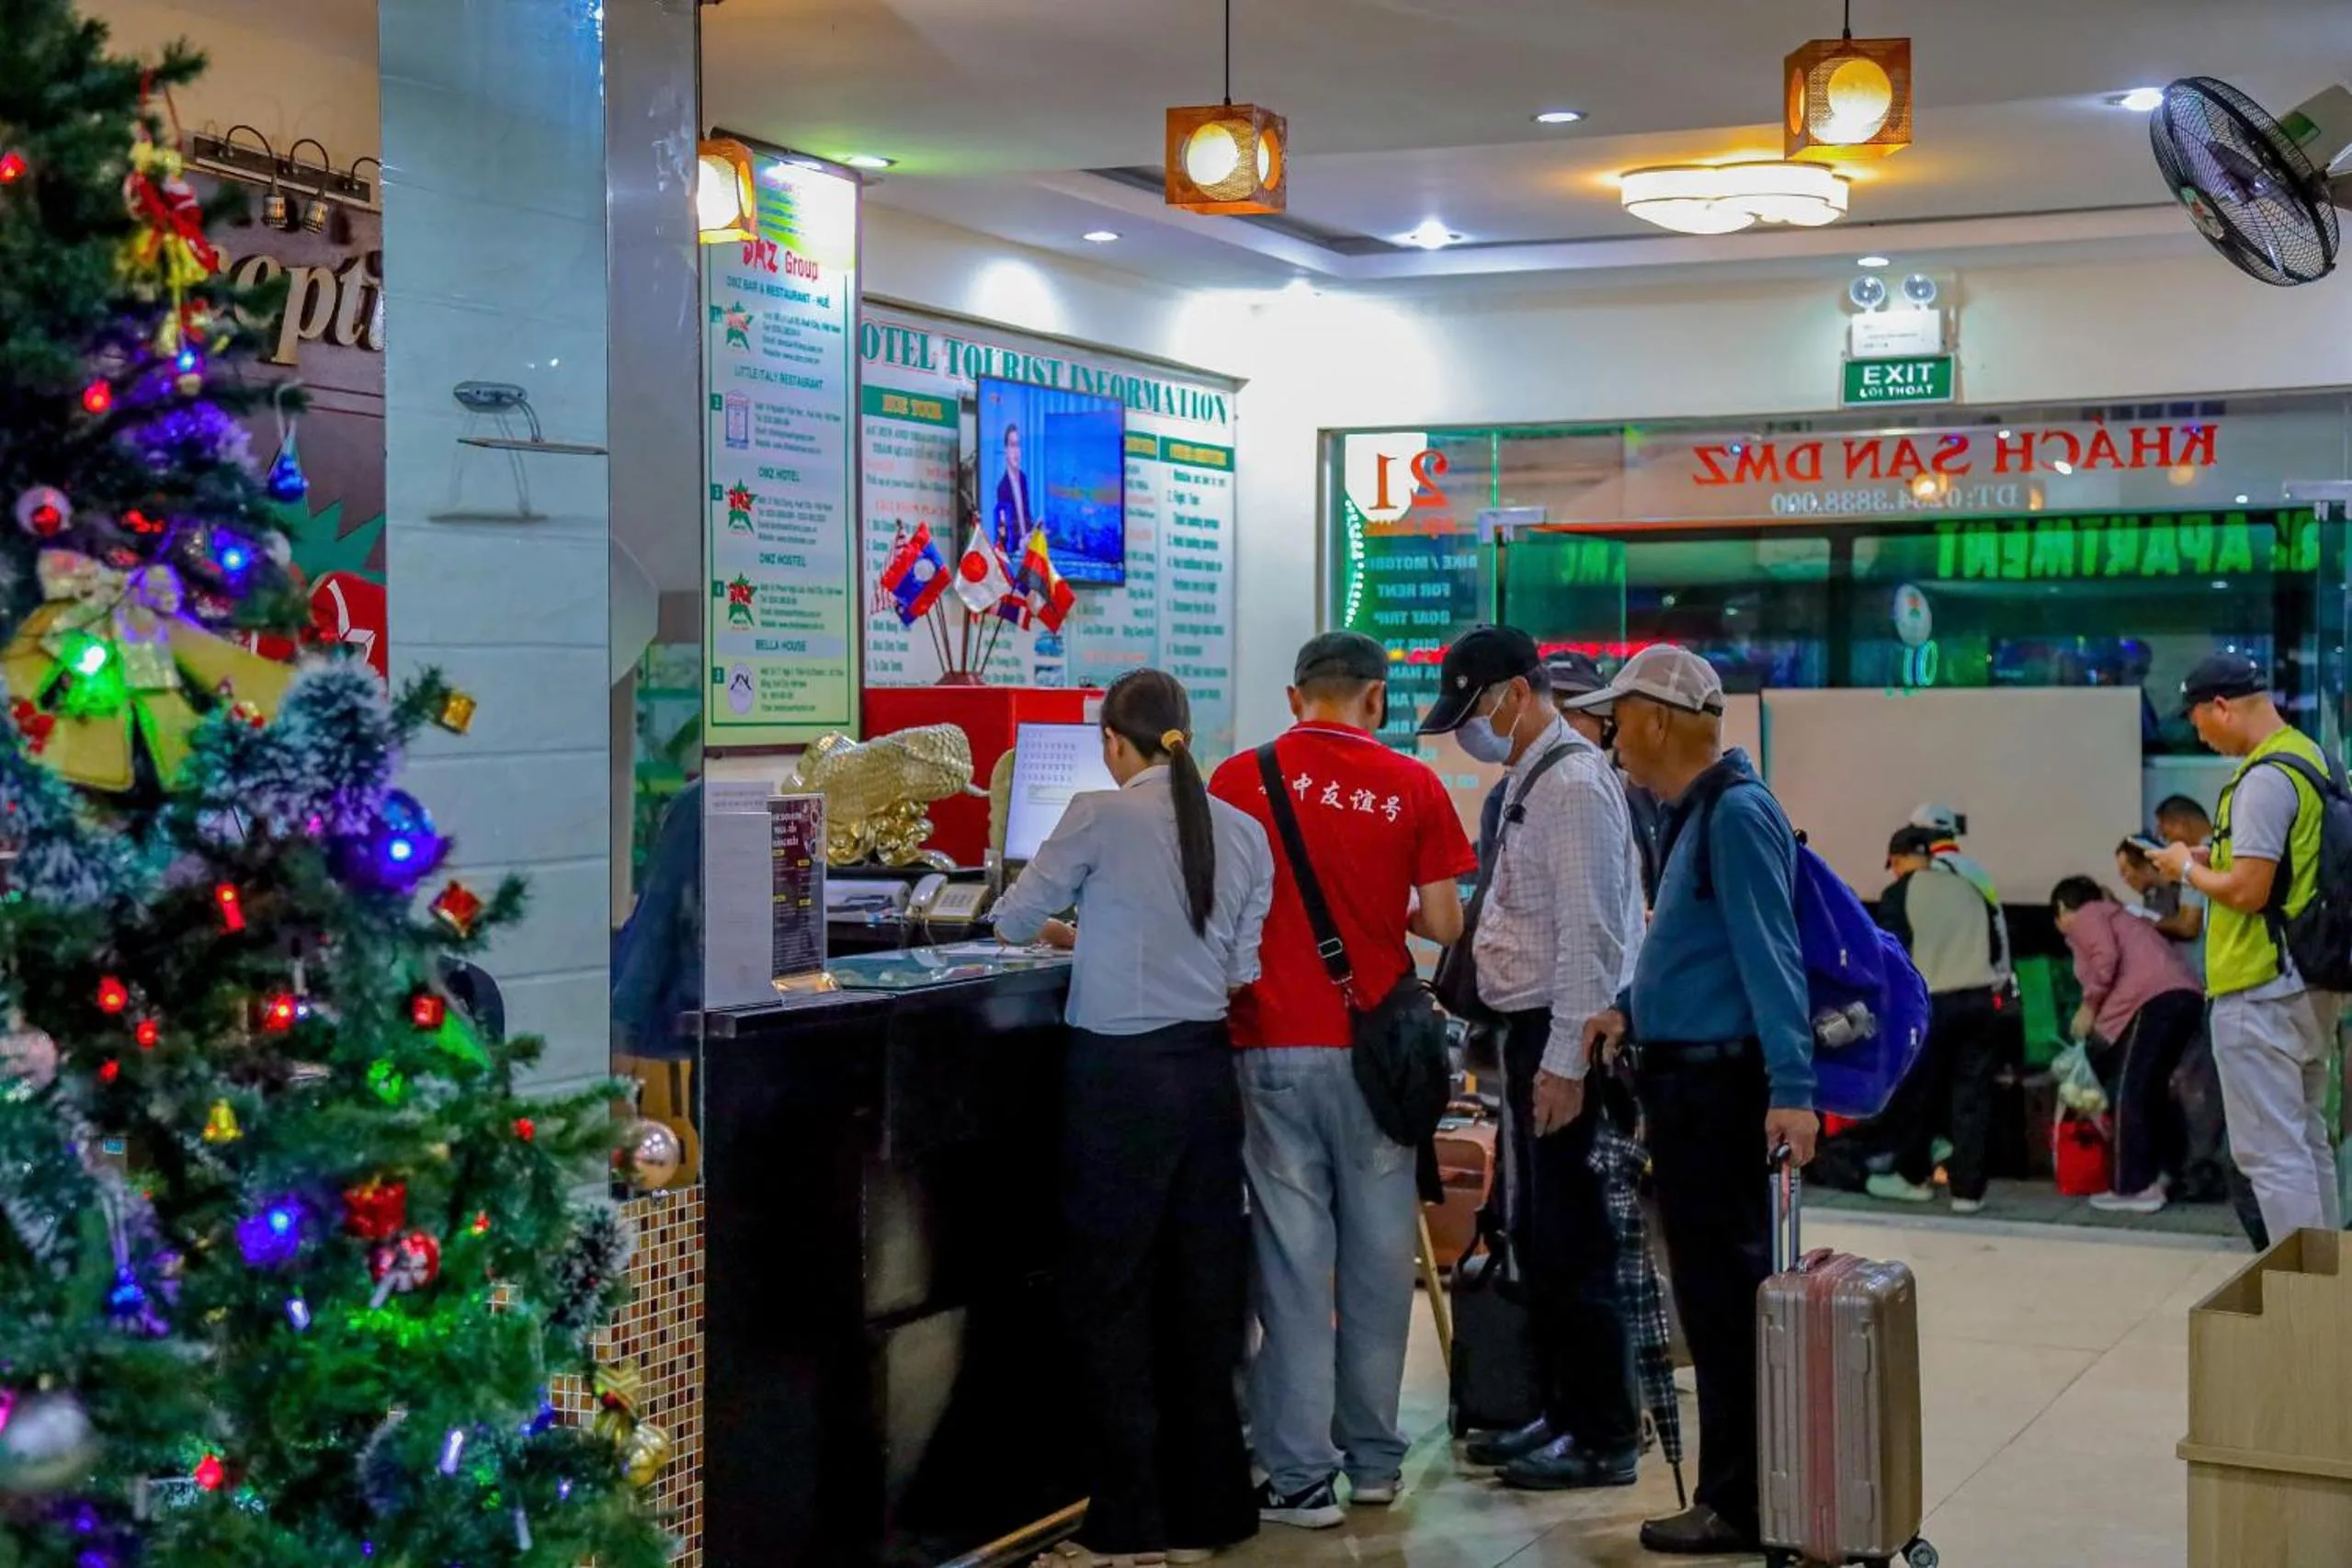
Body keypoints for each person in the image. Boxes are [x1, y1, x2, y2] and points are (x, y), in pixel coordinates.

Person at [992, 668, 1276, 1566]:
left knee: (1109, 1295)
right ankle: (1210, 1513)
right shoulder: (1243, 831)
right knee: (1200, 1293)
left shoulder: (1096, 814)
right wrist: (1112, 934)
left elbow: (1008, 920)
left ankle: (1128, 1525)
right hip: (1204, 1075)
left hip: (1118, 1081)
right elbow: (1236, 966)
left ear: (1115, 741)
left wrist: (1079, 933)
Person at [1207, 632, 1473, 1529]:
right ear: (1377, 698)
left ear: (1295, 696)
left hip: (1269, 1044)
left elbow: (1214, 908)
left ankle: (1298, 1477)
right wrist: (1378, 909)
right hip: (1378, 1057)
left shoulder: (1236, 780)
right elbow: (1442, 921)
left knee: (1292, 1261)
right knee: (1375, 1260)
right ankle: (1373, 1463)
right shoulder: (1416, 786)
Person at [1571, 644, 1816, 1559]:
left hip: (1721, 1089)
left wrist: (1793, 1089)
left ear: (1660, 719)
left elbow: (1771, 955)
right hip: (1686, 1081)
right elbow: (1691, 950)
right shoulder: (1694, 813)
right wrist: (1626, 1008)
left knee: (1725, 1301)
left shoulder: (1738, 813)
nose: (1610, 737)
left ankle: (1740, 1501)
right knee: (1711, 1299)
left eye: (1618, 717)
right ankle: (1734, 1494)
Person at [1418, 626, 1646, 1492]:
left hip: (1563, 1041)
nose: (1471, 729)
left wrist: (1563, 1066)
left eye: (1475, 710)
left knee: (1576, 1244)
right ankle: (1558, 1412)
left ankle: (1602, 1437)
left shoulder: (1574, 788)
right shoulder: (1534, 776)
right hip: (1531, 1040)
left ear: (1516, 693)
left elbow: (1594, 936)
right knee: (1542, 1243)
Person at [2152, 653, 2345, 1239]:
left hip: (2260, 988)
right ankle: (2331, 1291)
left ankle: (2304, 1306)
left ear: (2221, 706)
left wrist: (2187, 869)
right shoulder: (2315, 759)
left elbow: (2249, 889)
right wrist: (2214, 859)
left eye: (2199, 722)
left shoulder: (2261, 778)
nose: (2201, 736)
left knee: (2270, 1156)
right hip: (2308, 981)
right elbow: (2283, 868)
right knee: (2308, 1142)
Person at [2051, 875, 2207, 1213]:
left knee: (2129, 1090)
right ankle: (2166, 1173)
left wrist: (2089, 1006)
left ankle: (2135, 1186)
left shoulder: (2088, 915)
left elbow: (2105, 960)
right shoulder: (2122, 916)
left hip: (2152, 999)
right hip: (2182, 997)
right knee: (2153, 1092)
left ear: (2063, 908)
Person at [1871, 825, 2000, 1214]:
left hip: (1931, 1003)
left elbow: (1892, 956)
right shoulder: (1969, 888)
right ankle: (1968, 1192)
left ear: (1900, 858)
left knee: (1919, 1092)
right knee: (1972, 1097)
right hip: (1980, 1000)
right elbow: (1995, 944)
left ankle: (1913, 1177)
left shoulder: (1900, 893)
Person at [1475, 650, 1666, 901]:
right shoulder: (1504, 799)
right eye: (1548, 711)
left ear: (1605, 723)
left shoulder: (1640, 793)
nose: (1558, 725)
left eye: (1571, 710)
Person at [2117, 837, 2207, 984]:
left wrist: (2140, 921)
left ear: (2145, 865)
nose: (2125, 880)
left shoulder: (2186, 881)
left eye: (2125, 871)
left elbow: (2188, 928)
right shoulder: (2153, 898)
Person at [993, 421, 1035, 556]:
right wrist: (1019, 544)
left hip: (1027, 550)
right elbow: (1003, 529)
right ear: (1006, 450)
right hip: (1013, 553)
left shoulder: (1023, 479)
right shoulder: (1002, 487)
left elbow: (1026, 514)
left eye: (1018, 445)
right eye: (1012, 445)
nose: (1016, 451)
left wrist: (1033, 532)